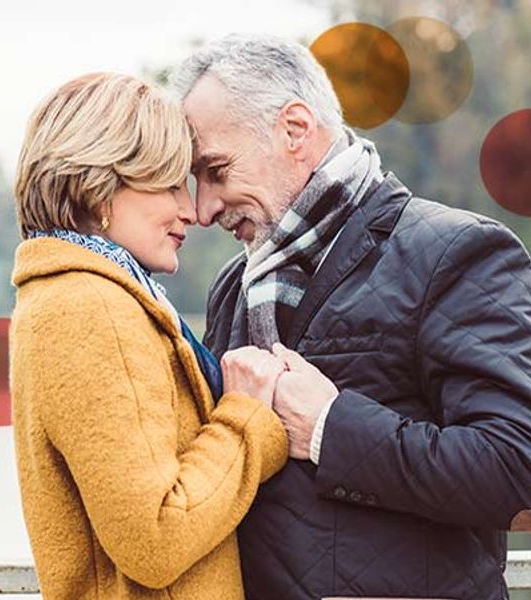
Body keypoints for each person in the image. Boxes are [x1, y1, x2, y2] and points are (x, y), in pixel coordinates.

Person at [171, 33, 531, 599]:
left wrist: (329, 430)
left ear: (294, 129)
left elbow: (515, 468)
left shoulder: (454, 251)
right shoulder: (233, 288)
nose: (203, 207)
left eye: (216, 169)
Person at [8, 71, 290, 600]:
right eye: (165, 184)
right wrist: (248, 418)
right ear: (96, 189)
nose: (190, 209)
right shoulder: (91, 309)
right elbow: (155, 538)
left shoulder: (80, 296)